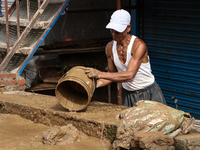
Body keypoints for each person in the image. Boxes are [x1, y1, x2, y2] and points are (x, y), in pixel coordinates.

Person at [85, 9, 166, 107]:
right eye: (112, 29)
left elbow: (129, 76)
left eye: (118, 30)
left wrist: (99, 74)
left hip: (147, 93)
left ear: (128, 28)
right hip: (129, 95)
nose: (114, 33)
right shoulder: (109, 48)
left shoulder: (138, 45)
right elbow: (112, 75)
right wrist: (90, 85)